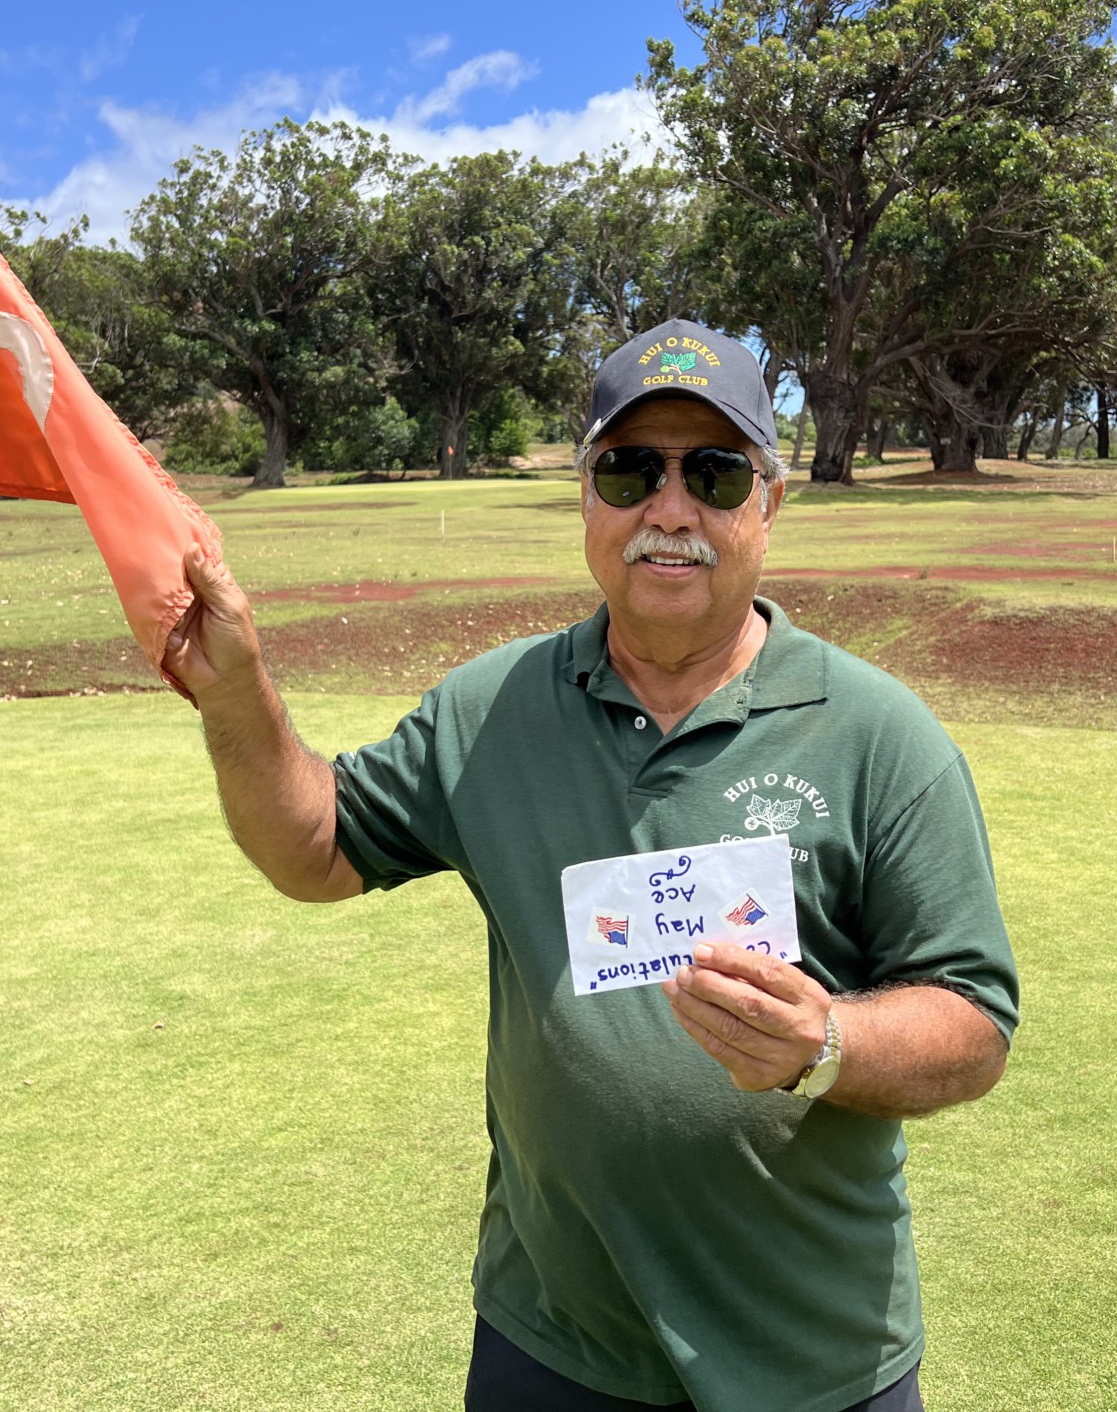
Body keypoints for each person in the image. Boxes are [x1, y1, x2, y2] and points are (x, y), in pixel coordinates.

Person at [164, 320, 1019, 1412]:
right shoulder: (490, 710)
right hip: (553, 1347)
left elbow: (973, 1026)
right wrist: (235, 690)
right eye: (630, 471)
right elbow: (312, 850)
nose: (671, 510)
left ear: (768, 503)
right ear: (586, 498)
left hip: (811, 1356)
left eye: (714, 473)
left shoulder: (876, 735)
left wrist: (826, 1042)